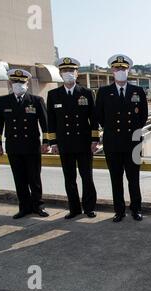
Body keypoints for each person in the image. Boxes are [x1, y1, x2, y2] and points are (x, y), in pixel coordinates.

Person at [95, 54, 149, 223]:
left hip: (132, 143)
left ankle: (136, 209)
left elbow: (143, 116)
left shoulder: (138, 91)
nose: (120, 71)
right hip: (113, 144)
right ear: (112, 71)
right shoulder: (104, 92)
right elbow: (100, 116)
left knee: (133, 179)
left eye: (123, 69)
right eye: (117, 68)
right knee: (116, 179)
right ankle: (119, 211)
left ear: (128, 70)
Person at [47, 57, 99, 220]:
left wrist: (94, 140)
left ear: (77, 74)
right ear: (60, 74)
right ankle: (74, 208)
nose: (68, 74)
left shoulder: (86, 93)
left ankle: (89, 207)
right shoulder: (54, 94)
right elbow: (51, 121)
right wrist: (53, 142)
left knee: (87, 177)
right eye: (65, 71)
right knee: (69, 178)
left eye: (71, 71)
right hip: (65, 143)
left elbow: (94, 119)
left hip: (83, 143)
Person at [0, 69, 50, 219]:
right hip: (14, 146)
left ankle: (38, 206)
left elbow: (45, 124)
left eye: (22, 82)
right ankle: (24, 207)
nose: (18, 84)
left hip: (32, 146)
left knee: (34, 178)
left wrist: (46, 142)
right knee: (19, 179)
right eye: (15, 82)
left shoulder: (36, 101)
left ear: (27, 83)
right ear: (10, 83)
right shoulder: (2, 101)